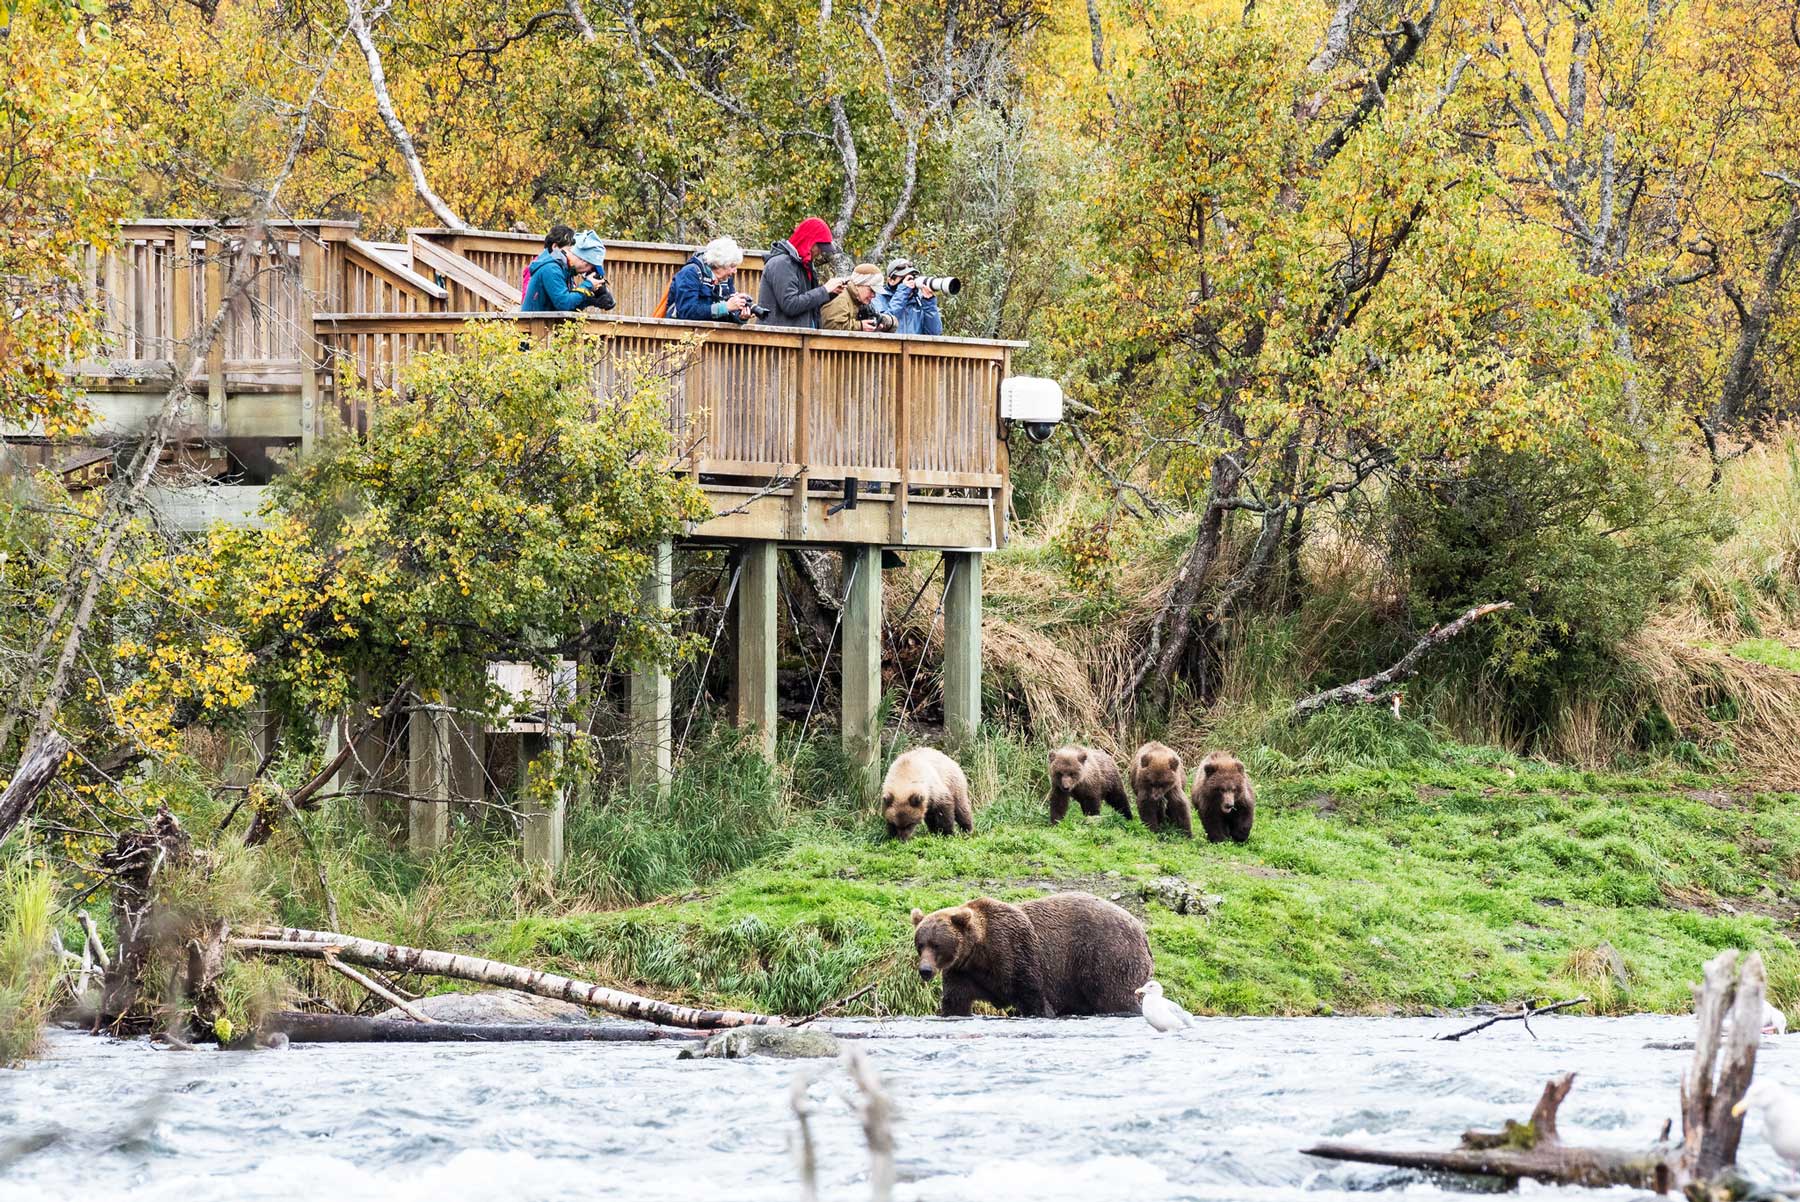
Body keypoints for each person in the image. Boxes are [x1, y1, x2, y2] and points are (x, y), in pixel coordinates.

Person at [756, 217, 847, 329]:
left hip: (799, 340)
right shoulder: (782, 264)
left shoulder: (803, 265)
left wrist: (830, 293)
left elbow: (807, 304)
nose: (820, 252)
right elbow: (791, 305)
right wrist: (824, 289)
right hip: (779, 342)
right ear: (809, 241)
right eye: (819, 247)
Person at [522, 230, 615, 313]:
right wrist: (588, 285)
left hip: (543, 326)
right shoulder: (551, 268)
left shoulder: (564, 269)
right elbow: (564, 304)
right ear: (585, 261)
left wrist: (593, 301)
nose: (589, 272)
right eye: (591, 268)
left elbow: (570, 306)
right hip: (533, 328)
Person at [669, 237, 755, 323]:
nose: (735, 271)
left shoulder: (726, 279)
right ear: (719, 264)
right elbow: (686, 312)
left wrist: (740, 316)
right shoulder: (690, 273)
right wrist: (725, 307)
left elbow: (726, 315)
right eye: (732, 266)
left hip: (713, 334)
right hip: (682, 333)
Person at [874, 258, 944, 336]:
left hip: (915, 347)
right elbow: (883, 324)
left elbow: (935, 333)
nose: (910, 282)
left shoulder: (919, 301)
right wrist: (902, 292)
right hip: (888, 347)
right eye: (904, 278)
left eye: (912, 277)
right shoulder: (877, 297)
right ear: (891, 280)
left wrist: (929, 303)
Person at [819, 264, 896, 332]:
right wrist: (860, 326)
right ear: (859, 284)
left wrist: (878, 326)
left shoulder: (858, 300)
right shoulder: (841, 298)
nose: (874, 295)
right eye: (871, 290)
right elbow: (831, 327)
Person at [521, 224, 575, 303]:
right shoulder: (541, 267)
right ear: (555, 246)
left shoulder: (563, 268)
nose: (570, 255)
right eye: (568, 250)